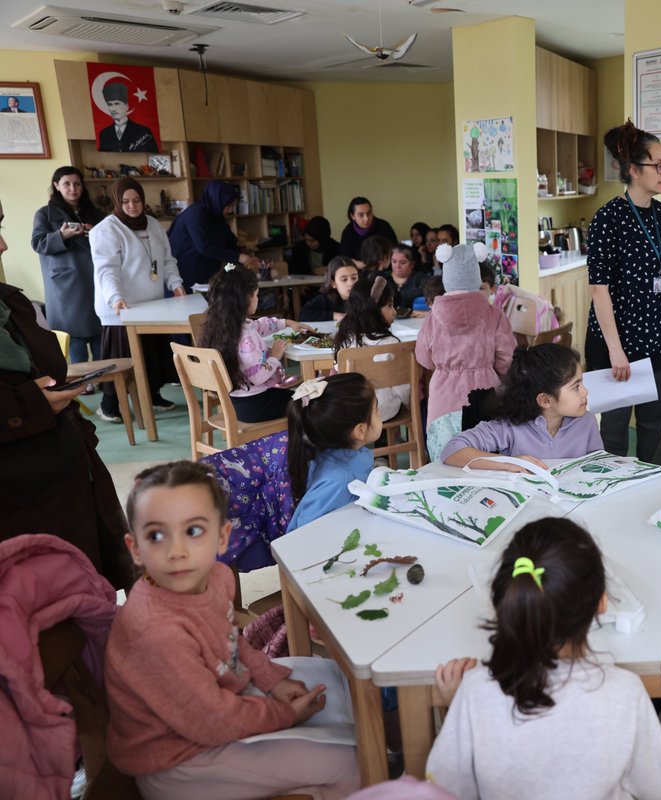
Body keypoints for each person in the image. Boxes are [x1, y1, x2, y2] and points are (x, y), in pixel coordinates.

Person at [105, 461, 359, 799]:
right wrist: (283, 715)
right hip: (181, 762)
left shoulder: (216, 578)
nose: (176, 551)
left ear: (223, 536)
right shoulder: (155, 631)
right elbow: (211, 721)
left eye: (193, 531)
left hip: (218, 706)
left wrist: (273, 680)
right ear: (135, 547)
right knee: (345, 762)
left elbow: (231, 642)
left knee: (333, 678)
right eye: (156, 535)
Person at [425, 518, 661, 799]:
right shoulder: (624, 692)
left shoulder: (475, 692)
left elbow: (445, 789)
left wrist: (457, 708)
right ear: (602, 603)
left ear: (507, 600)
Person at [0, 203, 133, 591]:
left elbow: (49, 368)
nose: (5, 245)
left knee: (90, 601)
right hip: (22, 511)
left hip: (67, 483)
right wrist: (27, 404)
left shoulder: (12, 302)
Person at [586, 120, 661, 459]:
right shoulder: (608, 218)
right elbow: (598, 290)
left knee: (653, 426)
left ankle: (650, 492)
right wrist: (616, 351)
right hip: (618, 345)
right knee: (615, 430)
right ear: (633, 169)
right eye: (658, 165)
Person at [90, 177, 184, 420]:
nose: (132, 206)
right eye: (125, 201)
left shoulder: (153, 224)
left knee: (151, 353)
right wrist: (115, 298)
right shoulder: (106, 229)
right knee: (122, 358)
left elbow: (167, 260)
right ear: (117, 202)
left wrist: (175, 284)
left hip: (151, 304)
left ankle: (151, 396)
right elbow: (106, 269)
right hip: (121, 308)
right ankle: (109, 405)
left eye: (137, 200)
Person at [415, 243, 516, 459]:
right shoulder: (494, 314)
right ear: (477, 276)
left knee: (447, 459)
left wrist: (444, 366)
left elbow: (424, 358)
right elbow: (507, 360)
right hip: (485, 395)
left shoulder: (432, 317)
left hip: (443, 397)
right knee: (487, 459)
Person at [440, 343, 601, 470]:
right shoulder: (509, 427)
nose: (585, 392)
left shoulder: (587, 422)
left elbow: (601, 465)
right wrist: (508, 463)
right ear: (545, 400)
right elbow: (452, 450)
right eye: (576, 386)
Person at [199, 265, 310, 423]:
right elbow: (258, 377)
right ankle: (298, 445)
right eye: (256, 295)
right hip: (257, 405)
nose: (258, 300)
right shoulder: (246, 337)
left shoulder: (224, 326)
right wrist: (274, 356)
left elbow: (259, 325)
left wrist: (286, 322)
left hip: (238, 403)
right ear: (245, 298)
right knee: (308, 402)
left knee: (298, 396)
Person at [286, 374, 381, 532]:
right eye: (376, 410)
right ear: (360, 430)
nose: (380, 414)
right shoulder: (337, 481)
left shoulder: (344, 453)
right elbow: (301, 534)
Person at [31, 166, 104, 364]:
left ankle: (104, 379)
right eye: (67, 184)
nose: (73, 188)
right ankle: (85, 380)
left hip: (95, 279)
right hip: (65, 284)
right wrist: (62, 235)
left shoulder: (95, 213)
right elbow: (38, 243)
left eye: (77, 184)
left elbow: (111, 240)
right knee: (73, 336)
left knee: (100, 331)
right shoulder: (44, 214)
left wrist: (95, 233)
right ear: (57, 186)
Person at [333, 276, 410, 421]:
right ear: (373, 309)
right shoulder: (390, 344)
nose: (394, 311)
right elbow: (402, 387)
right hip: (385, 411)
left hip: (352, 413)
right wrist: (409, 403)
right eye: (389, 305)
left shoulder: (345, 340)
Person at [168, 181, 260, 289]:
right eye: (229, 205)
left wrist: (246, 261)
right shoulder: (195, 215)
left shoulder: (217, 217)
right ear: (218, 201)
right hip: (186, 277)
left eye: (233, 206)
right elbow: (204, 247)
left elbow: (230, 245)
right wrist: (240, 258)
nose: (231, 210)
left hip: (209, 275)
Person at [96, 81, 158, 153]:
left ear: (126, 106)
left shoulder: (143, 131)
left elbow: (155, 155)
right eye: (110, 104)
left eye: (117, 103)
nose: (113, 108)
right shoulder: (104, 134)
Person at [299, 256, 359, 322]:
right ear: (333, 283)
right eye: (344, 279)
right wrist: (334, 315)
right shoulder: (326, 299)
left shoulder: (365, 296)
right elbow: (304, 314)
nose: (351, 283)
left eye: (354, 278)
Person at [338, 197, 398, 262]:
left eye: (369, 213)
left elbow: (395, 251)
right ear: (352, 216)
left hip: (384, 268)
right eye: (361, 215)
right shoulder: (348, 232)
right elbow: (345, 260)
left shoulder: (384, 226)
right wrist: (367, 266)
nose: (366, 218)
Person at [384, 243, 429, 311]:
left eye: (402, 263)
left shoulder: (420, 279)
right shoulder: (383, 278)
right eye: (394, 261)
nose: (397, 266)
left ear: (412, 264)